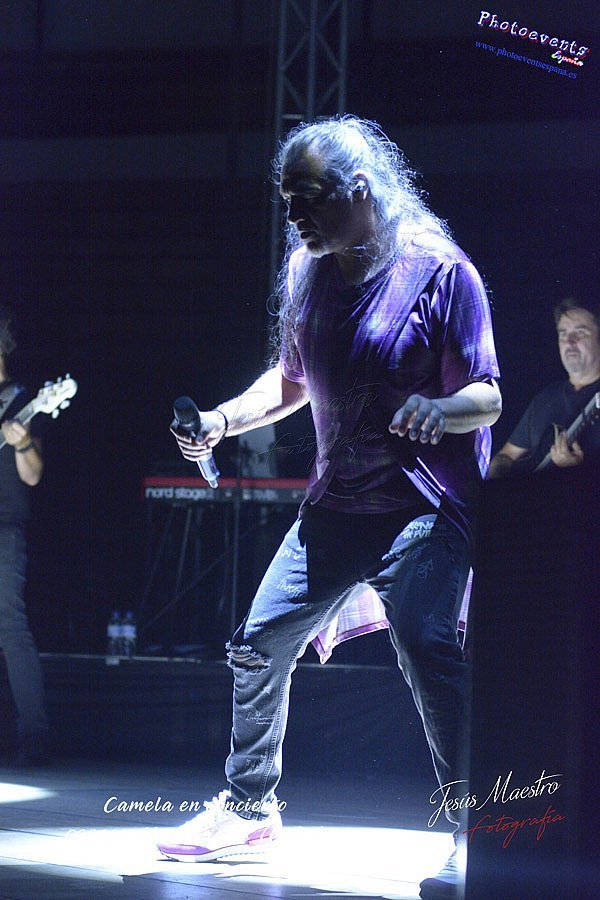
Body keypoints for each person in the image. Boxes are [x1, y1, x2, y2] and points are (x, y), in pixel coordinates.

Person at [160, 116, 501, 900]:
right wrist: (221, 420)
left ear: (360, 191)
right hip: (338, 504)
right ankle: (250, 808)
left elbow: (486, 395)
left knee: (426, 643)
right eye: (287, 201)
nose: (295, 216)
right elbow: (290, 380)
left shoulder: (441, 272)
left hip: (422, 505)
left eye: (308, 199)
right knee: (257, 644)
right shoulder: (307, 270)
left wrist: (439, 409)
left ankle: (474, 827)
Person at [0, 306, 49, 765]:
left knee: (11, 629)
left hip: (4, 530)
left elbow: (32, 475)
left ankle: (34, 737)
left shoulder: (19, 402)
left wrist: (22, 443)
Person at [489, 298, 600, 478]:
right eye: (563, 334)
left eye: (580, 333)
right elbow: (506, 456)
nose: (569, 341)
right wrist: (495, 487)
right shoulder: (547, 397)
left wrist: (577, 473)